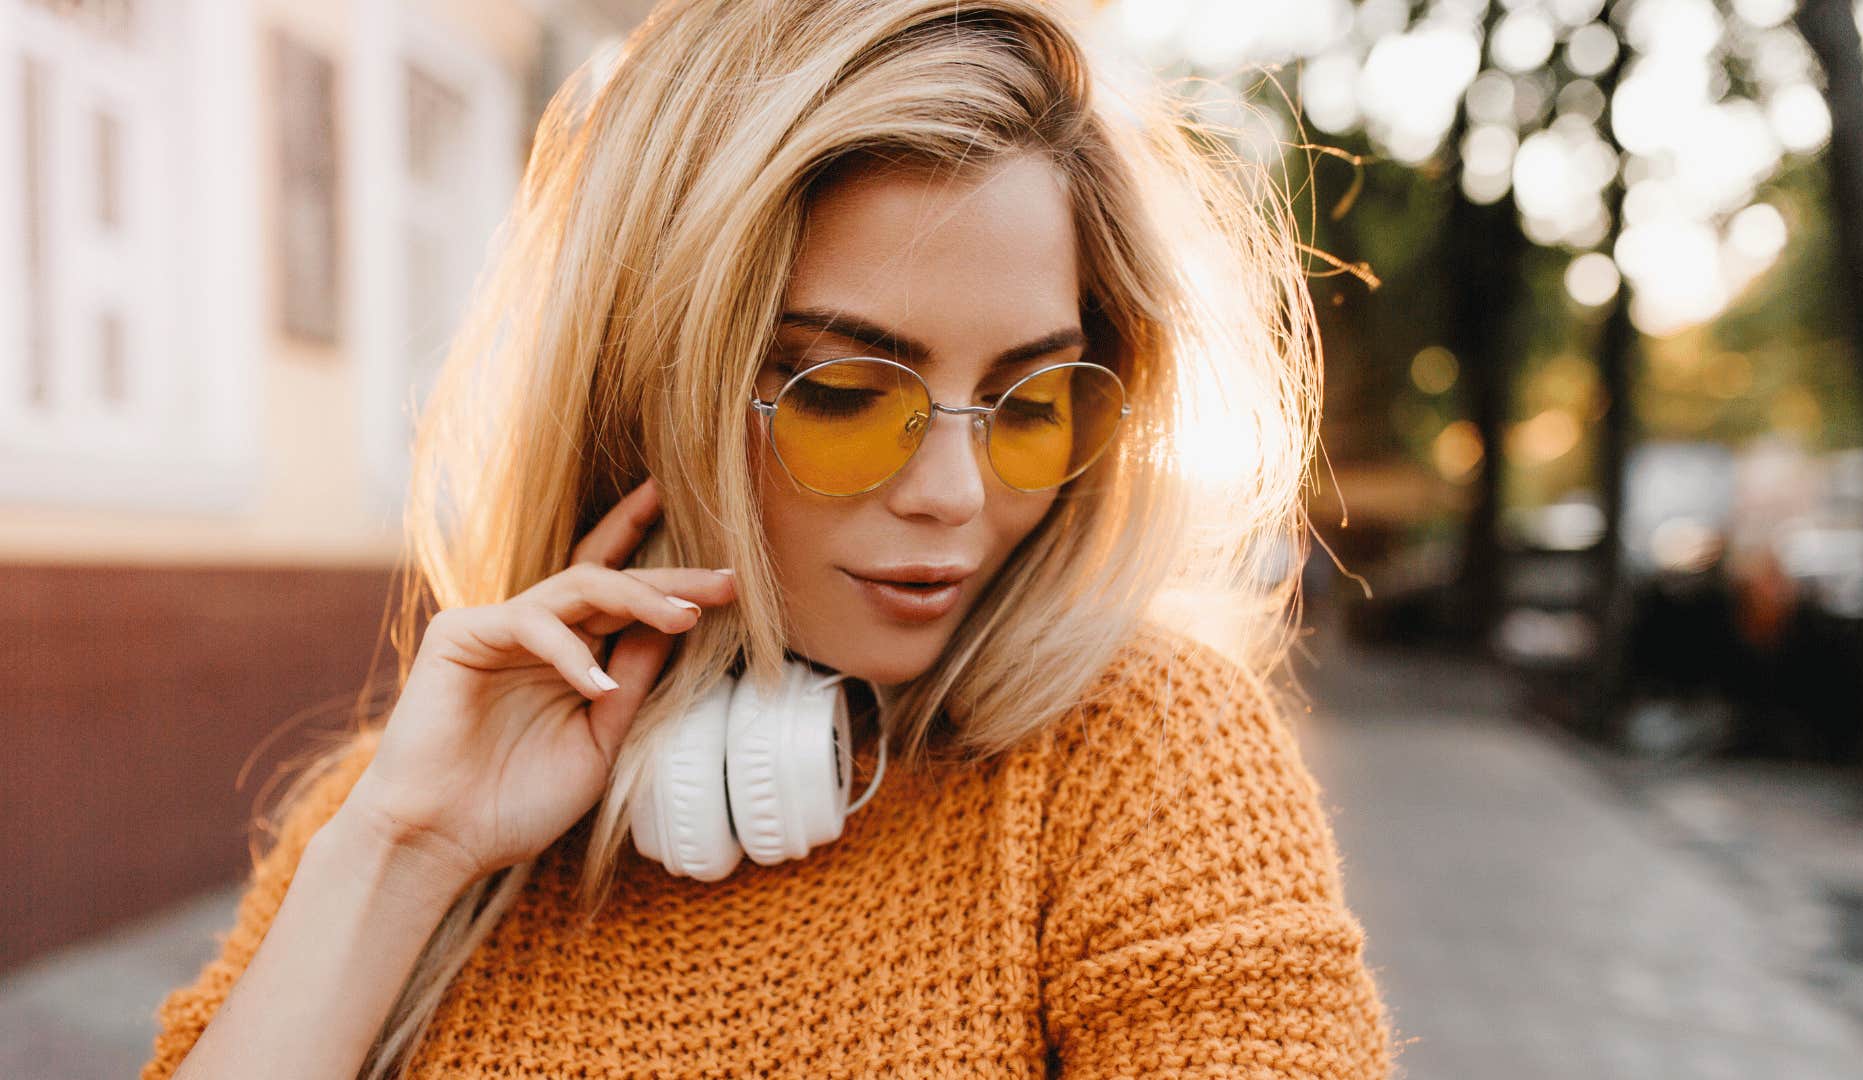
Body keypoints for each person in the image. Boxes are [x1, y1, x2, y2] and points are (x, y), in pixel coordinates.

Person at [143, 1, 1399, 1076]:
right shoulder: (400, 802)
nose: (957, 494)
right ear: (653, 383)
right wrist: (406, 851)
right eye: (847, 395)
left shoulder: (1142, 760)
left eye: (1029, 403)